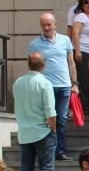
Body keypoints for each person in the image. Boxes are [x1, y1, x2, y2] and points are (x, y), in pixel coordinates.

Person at [27, 13, 77, 161]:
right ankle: (46, 151)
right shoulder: (34, 44)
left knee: (61, 119)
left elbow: (71, 63)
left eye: (49, 24)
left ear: (55, 24)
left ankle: (59, 151)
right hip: (45, 87)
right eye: (44, 25)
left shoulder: (66, 40)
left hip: (64, 86)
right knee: (46, 119)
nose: (47, 27)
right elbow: (31, 67)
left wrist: (75, 83)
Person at [13, 53, 57, 171]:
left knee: (26, 169)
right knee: (46, 168)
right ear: (44, 65)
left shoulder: (18, 82)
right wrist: (53, 129)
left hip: (25, 132)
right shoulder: (45, 83)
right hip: (43, 131)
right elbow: (50, 110)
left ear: (28, 64)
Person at [70, 0, 89, 116]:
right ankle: (84, 108)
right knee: (84, 80)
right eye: (86, 2)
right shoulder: (81, 16)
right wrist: (77, 51)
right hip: (82, 51)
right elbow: (75, 33)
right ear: (82, 5)